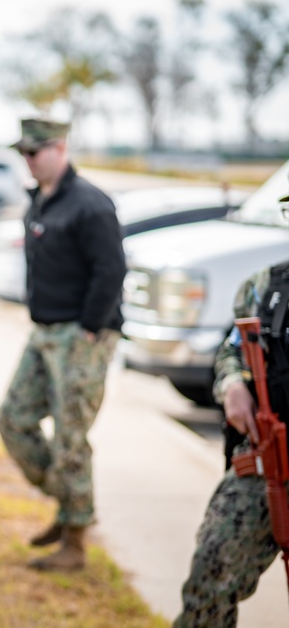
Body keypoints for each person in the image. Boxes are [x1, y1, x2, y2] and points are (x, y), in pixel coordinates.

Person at [0, 118, 126, 572]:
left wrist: (90, 327)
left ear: (60, 148)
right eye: (24, 154)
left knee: (71, 436)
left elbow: (111, 270)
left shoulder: (90, 204)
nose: (28, 161)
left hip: (81, 335)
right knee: (14, 419)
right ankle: (70, 502)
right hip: (44, 331)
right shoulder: (41, 201)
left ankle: (74, 541)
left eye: (35, 152)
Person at [174, 209, 289, 626]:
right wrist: (233, 387)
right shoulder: (266, 286)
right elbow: (232, 350)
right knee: (210, 576)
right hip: (268, 457)